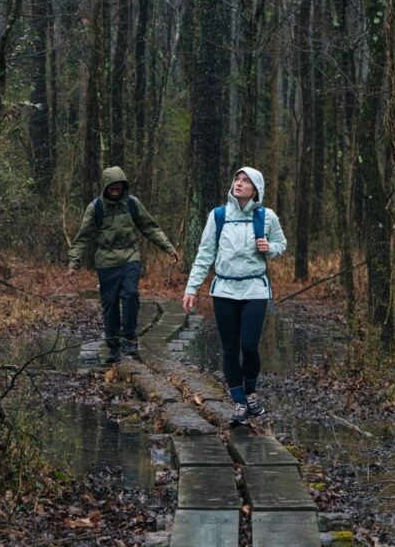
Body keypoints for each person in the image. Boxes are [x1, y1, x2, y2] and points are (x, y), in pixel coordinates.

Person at [182, 167, 286, 426]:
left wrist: (269, 248)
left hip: (255, 290)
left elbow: (281, 245)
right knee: (229, 349)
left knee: (249, 346)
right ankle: (239, 402)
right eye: (237, 179)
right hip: (225, 290)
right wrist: (191, 288)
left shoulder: (266, 216)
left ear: (256, 189)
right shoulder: (218, 216)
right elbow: (205, 253)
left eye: (246, 181)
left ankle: (251, 393)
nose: (239, 184)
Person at [68, 166, 180, 363]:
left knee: (131, 294)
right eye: (112, 187)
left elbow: (150, 227)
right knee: (110, 305)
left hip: (130, 257)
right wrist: (73, 264)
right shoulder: (96, 208)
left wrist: (168, 248)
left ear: (123, 186)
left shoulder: (132, 204)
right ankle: (113, 345)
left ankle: (129, 339)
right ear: (105, 187)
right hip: (106, 262)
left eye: (119, 187)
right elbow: (82, 238)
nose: (115, 190)